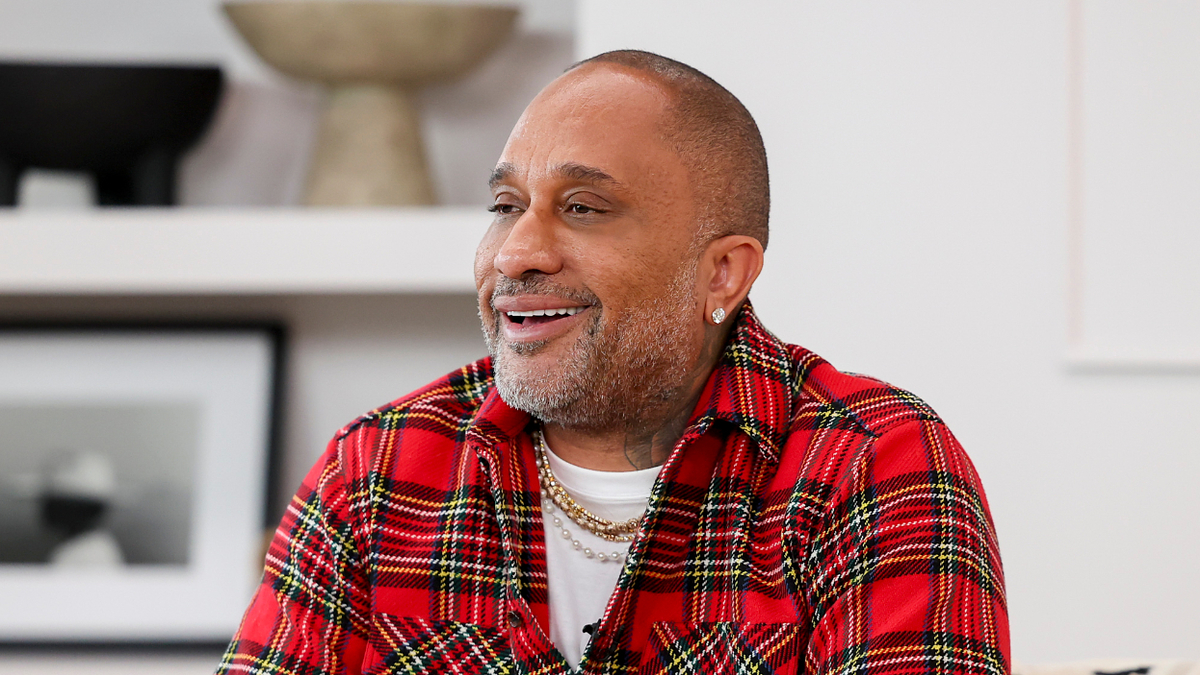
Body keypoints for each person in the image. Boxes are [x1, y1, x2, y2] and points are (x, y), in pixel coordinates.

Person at [216, 50, 1008, 675]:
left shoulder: (874, 464)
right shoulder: (374, 471)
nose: (516, 253)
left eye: (583, 208)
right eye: (505, 206)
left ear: (722, 272)